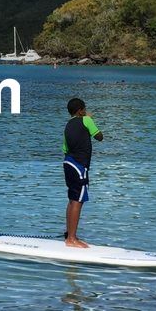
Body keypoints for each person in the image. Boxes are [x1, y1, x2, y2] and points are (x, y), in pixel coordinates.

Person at [63, 97, 103, 248]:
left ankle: (69, 234)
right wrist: (88, 120)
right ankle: (71, 239)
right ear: (80, 111)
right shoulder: (86, 120)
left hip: (68, 163)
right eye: (84, 109)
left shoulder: (67, 125)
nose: (86, 111)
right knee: (78, 201)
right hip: (79, 165)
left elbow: (65, 149)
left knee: (73, 199)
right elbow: (100, 137)